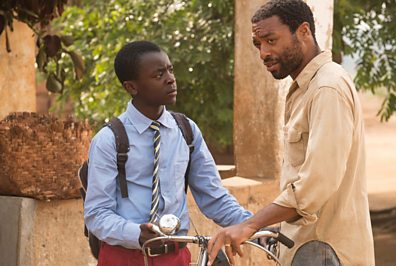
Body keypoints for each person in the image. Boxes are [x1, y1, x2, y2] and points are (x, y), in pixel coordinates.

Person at [207, 1, 375, 265]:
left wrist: (251, 224)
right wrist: (277, 226)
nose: (263, 52)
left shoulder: (327, 88)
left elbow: (315, 183)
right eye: (258, 44)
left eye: (271, 40)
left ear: (304, 31)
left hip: (325, 250)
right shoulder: (303, 88)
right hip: (305, 246)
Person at [84, 40, 251, 266]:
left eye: (170, 70)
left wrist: (254, 223)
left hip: (176, 257)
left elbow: (214, 197)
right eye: (158, 75)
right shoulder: (109, 139)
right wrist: (135, 233)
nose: (171, 79)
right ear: (131, 87)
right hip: (123, 257)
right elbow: (97, 214)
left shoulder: (187, 131)